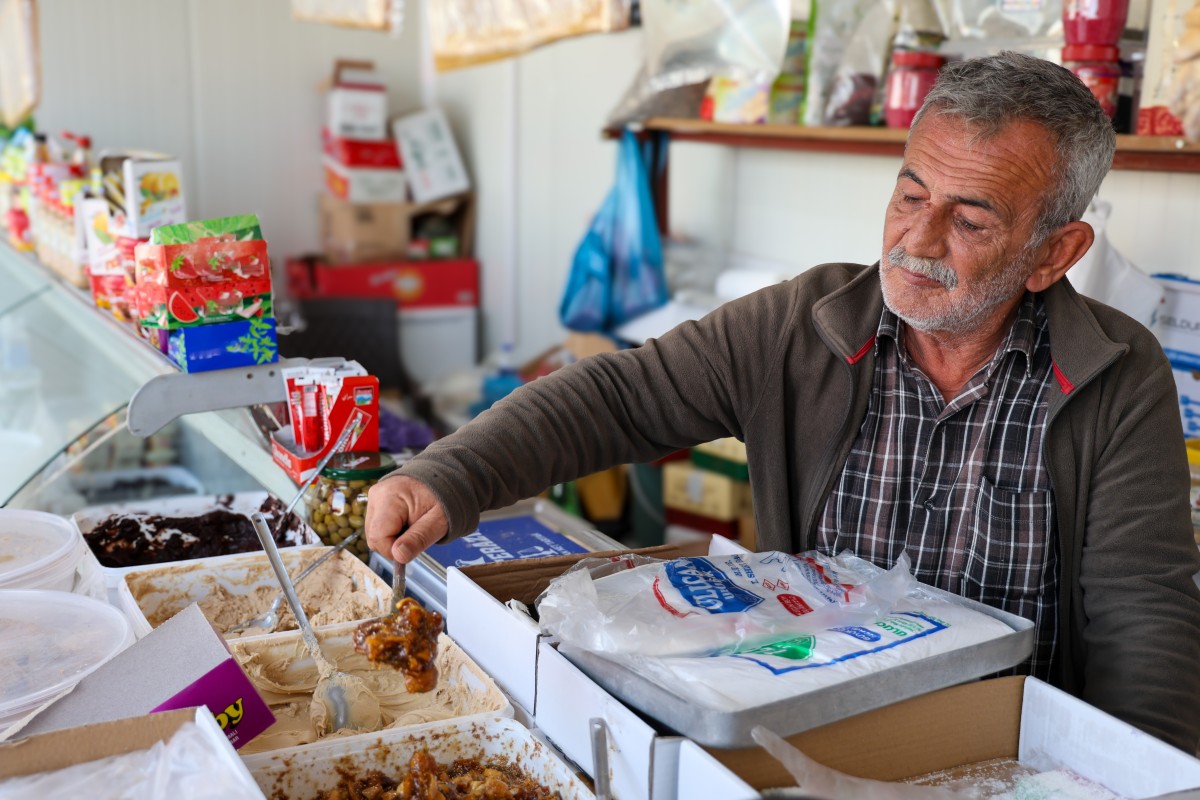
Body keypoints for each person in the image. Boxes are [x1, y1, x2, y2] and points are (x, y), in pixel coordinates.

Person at [365, 52, 1200, 751]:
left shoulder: (1117, 376)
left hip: (997, 753)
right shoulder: (805, 326)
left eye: (970, 220)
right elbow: (621, 395)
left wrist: (1135, 774)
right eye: (911, 195)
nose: (917, 241)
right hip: (805, 730)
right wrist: (453, 472)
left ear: (1054, 252)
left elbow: (1146, 619)